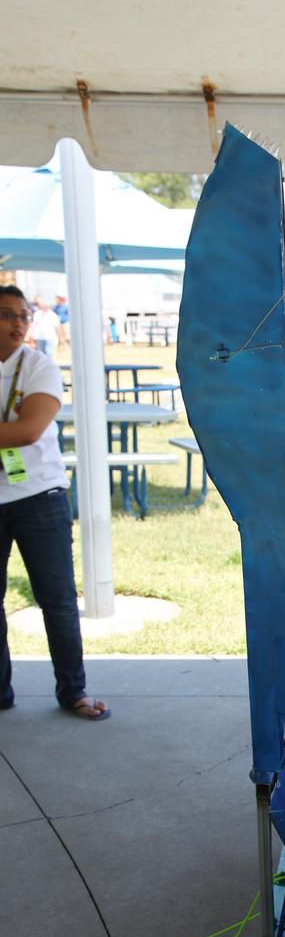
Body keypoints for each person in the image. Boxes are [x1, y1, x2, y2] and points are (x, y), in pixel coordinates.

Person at [0, 285, 109, 721]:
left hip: (38, 497)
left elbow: (29, 431)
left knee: (58, 600)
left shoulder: (38, 365)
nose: (19, 323)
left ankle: (73, 691)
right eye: (8, 314)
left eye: (23, 315)